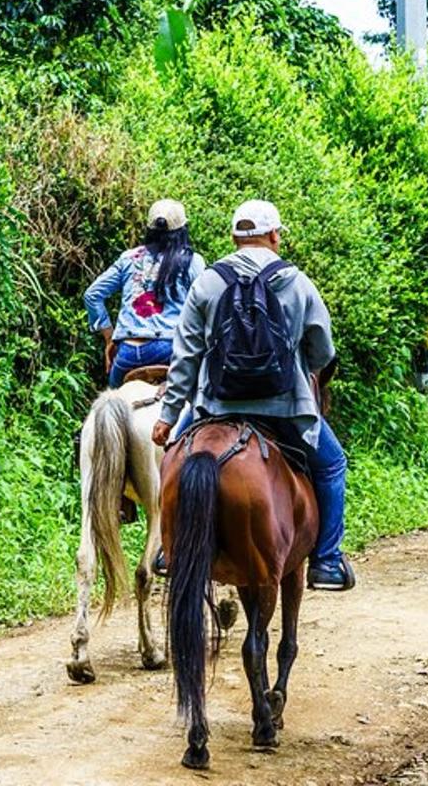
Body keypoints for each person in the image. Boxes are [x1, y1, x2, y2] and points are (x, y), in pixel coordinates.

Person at [151, 200, 355, 591]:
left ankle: (169, 547)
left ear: (234, 238)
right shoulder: (297, 281)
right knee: (332, 465)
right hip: (285, 408)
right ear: (275, 236)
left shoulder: (209, 281)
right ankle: (327, 561)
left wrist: (168, 414)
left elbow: (186, 355)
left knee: (174, 462)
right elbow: (322, 351)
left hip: (216, 406)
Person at [83, 199, 205, 387]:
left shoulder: (128, 258)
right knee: (198, 403)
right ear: (183, 229)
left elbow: (92, 295)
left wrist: (109, 337)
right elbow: (203, 306)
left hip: (128, 352)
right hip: (170, 349)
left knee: (112, 408)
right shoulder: (192, 261)